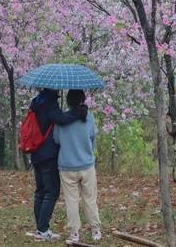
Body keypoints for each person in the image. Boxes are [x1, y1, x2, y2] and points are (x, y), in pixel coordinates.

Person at [28, 88, 88, 242]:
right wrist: (78, 112)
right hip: (47, 153)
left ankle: (40, 229)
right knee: (51, 192)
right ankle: (43, 229)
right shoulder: (49, 101)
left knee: (40, 191)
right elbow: (60, 118)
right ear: (52, 86)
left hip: (36, 151)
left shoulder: (37, 100)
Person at [53, 90, 102, 244]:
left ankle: (74, 233)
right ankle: (95, 230)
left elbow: (56, 140)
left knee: (71, 200)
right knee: (90, 198)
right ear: (82, 100)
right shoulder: (89, 117)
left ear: (68, 101)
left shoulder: (61, 119)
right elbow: (93, 137)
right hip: (86, 165)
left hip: (67, 166)